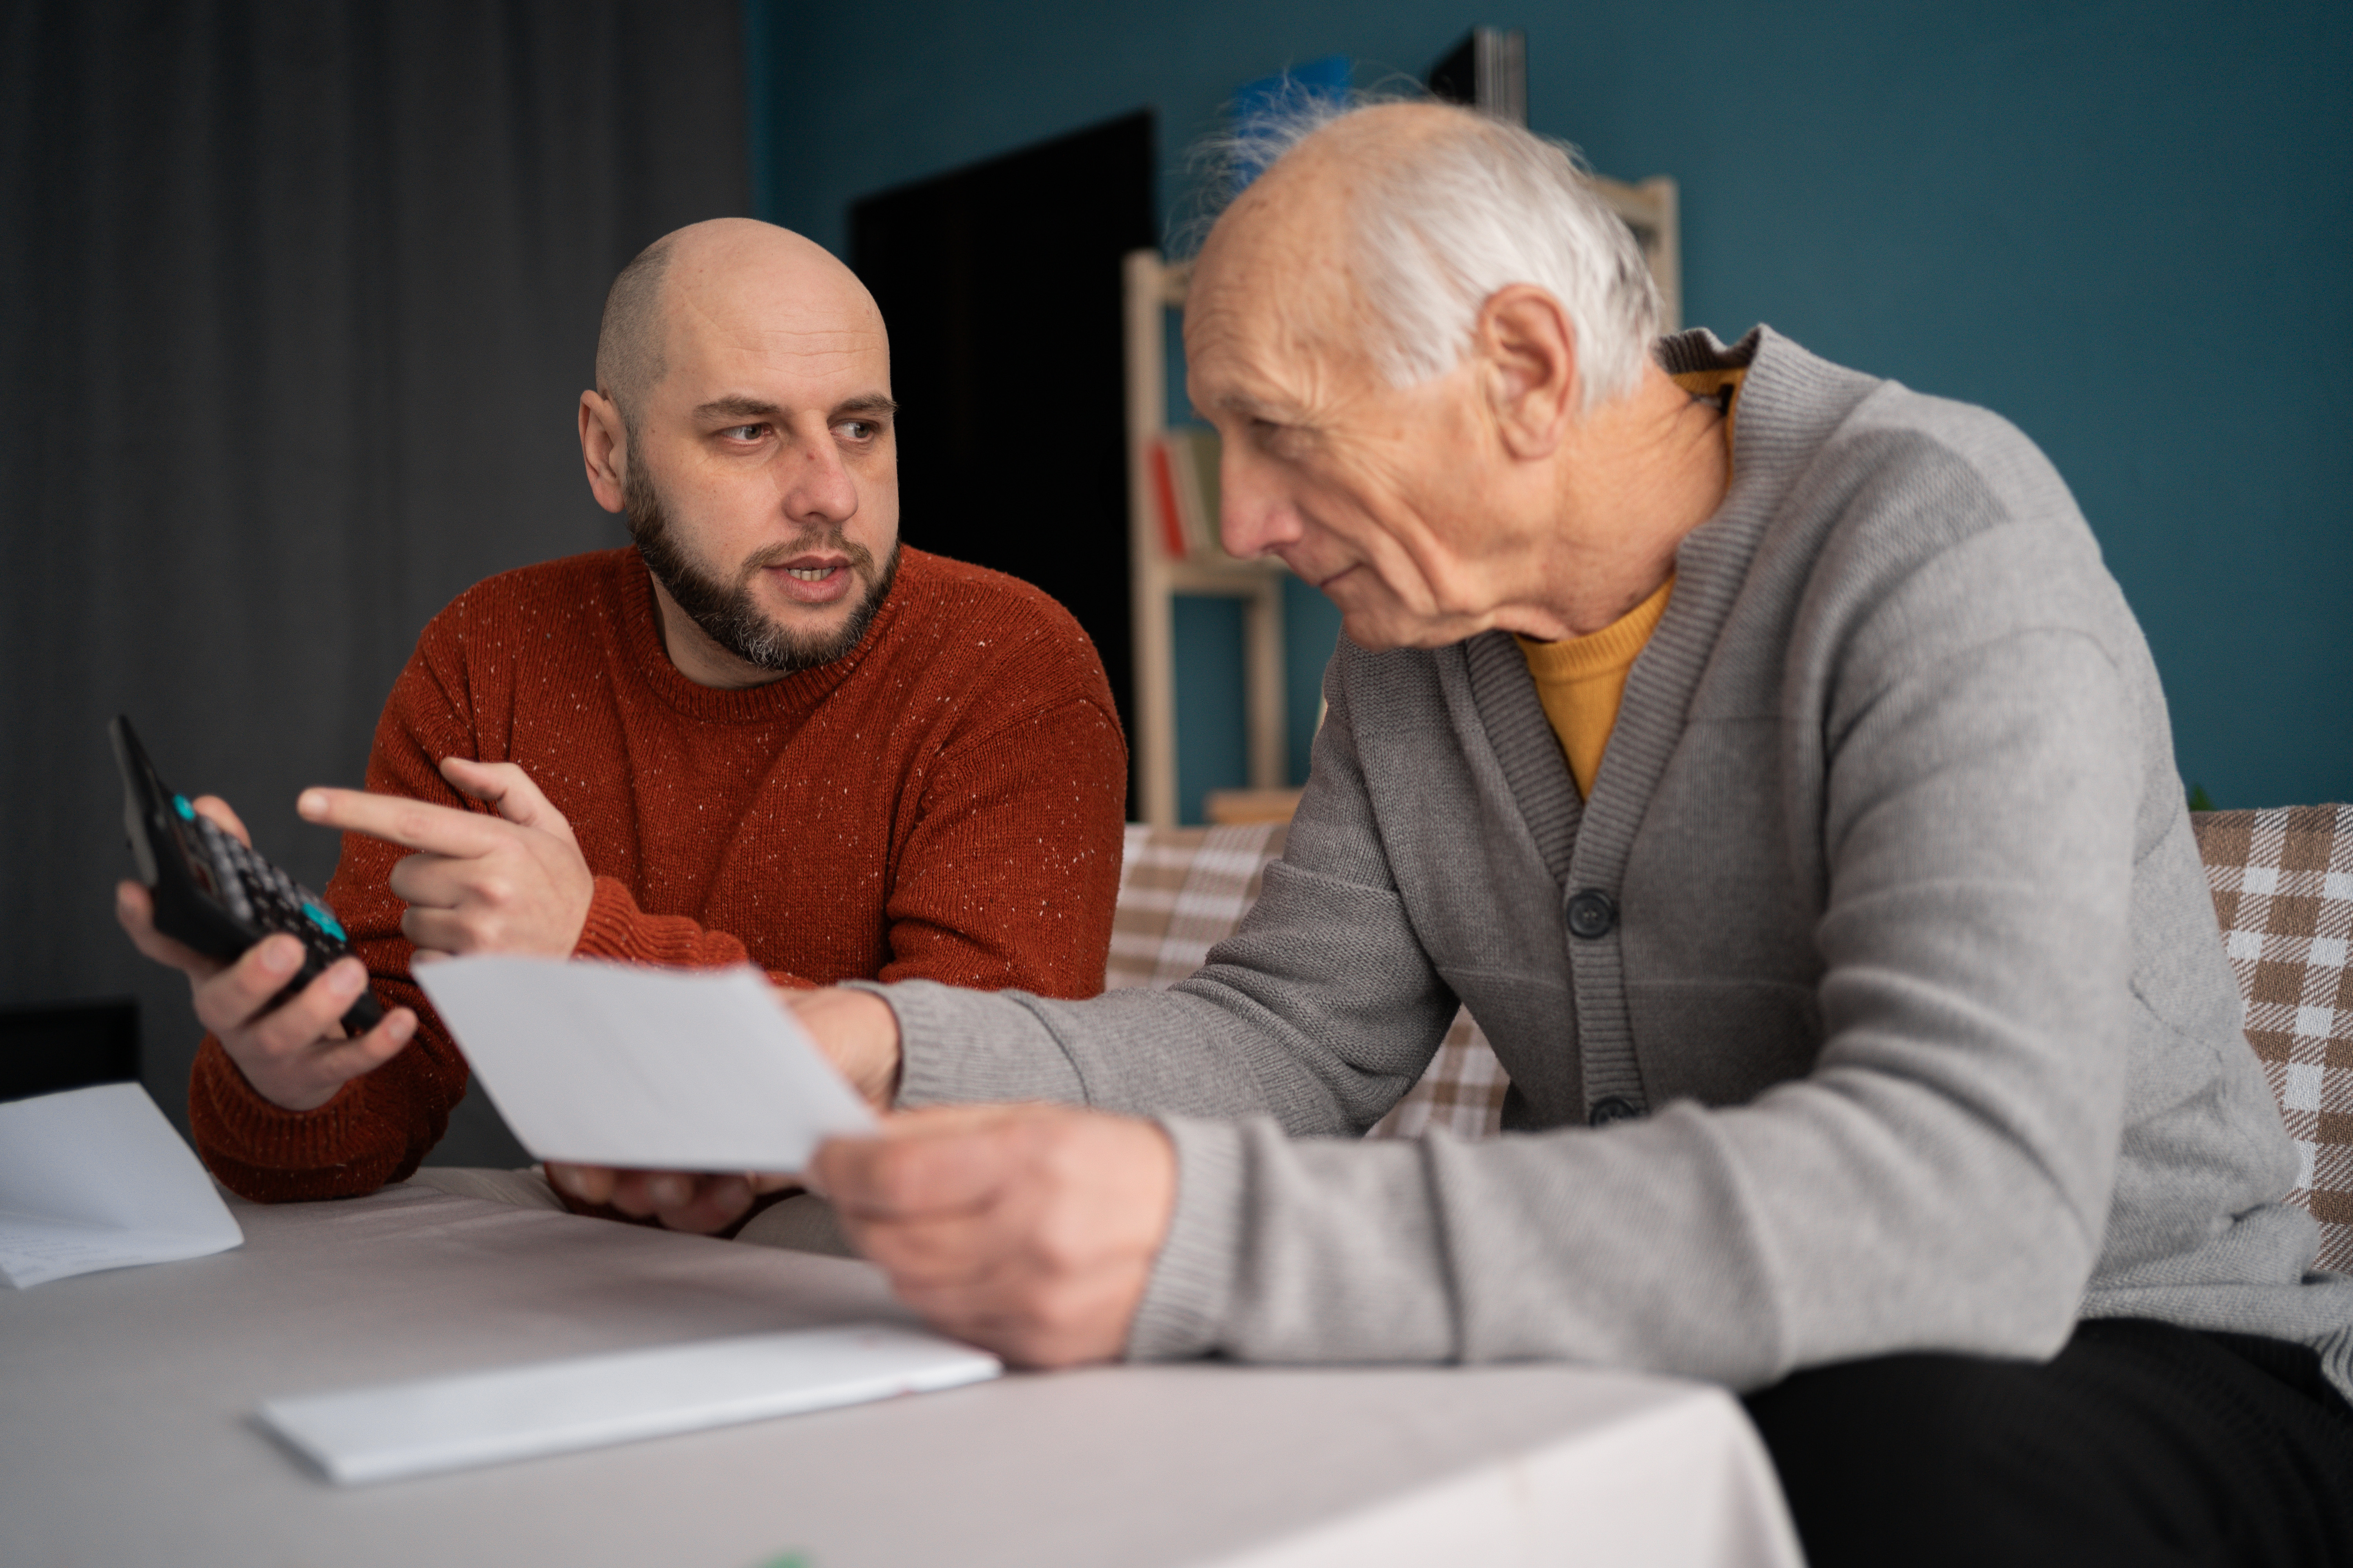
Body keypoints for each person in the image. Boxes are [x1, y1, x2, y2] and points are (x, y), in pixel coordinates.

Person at [564, 104, 2353, 1561]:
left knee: (1876, 1463)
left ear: (1518, 363)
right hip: (1700, 1347)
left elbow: (1968, 1207)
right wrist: (884, 1043)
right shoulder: (1413, 647)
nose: (1244, 517)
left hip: (2124, 1354)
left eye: (1276, 434)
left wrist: (1211, 1235)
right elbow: (1283, 1037)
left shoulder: (1940, 542)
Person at [115, 218, 1128, 1219]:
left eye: (861, 428)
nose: (830, 495)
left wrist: (585, 940)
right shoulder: (491, 650)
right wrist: (291, 1074)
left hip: (894, 1298)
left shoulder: (1013, 661)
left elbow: (992, 1096)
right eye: (750, 431)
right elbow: (365, 1112)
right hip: (610, 1303)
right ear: (609, 451)